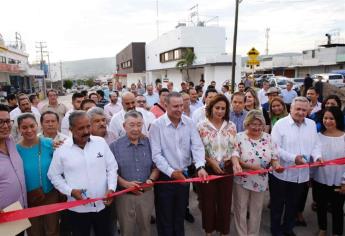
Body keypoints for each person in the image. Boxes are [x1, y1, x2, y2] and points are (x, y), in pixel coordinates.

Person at [48, 111, 118, 236]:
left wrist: (111, 188)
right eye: (81, 128)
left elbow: (112, 167)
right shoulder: (62, 149)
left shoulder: (100, 143)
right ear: (71, 129)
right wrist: (70, 191)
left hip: (103, 205)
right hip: (77, 210)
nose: (86, 131)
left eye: (88, 126)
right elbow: (53, 175)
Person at [148, 92, 208, 236]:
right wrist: (171, 172)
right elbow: (156, 155)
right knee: (165, 218)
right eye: (175, 106)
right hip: (165, 177)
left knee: (179, 215)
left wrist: (200, 166)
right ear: (165, 105)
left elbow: (197, 146)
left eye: (181, 105)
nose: (179, 109)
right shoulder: (156, 125)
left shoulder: (189, 122)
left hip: (184, 174)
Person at [270, 96, 322, 236]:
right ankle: (275, 230)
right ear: (291, 108)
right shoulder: (280, 124)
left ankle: (288, 228)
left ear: (308, 111)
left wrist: (317, 157)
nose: (301, 112)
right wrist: (294, 158)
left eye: (304, 110)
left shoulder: (311, 125)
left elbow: (315, 145)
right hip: (281, 174)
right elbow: (275, 148)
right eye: (298, 109)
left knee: (293, 205)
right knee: (277, 205)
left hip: (301, 176)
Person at [233, 110, 283, 236]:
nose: (257, 127)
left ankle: (253, 234)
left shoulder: (268, 137)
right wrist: (250, 166)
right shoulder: (239, 137)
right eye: (253, 124)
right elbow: (235, 156)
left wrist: (276, 165)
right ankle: (241, 234)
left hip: (260, 179)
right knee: (240, 208)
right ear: (247, 124)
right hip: (242, 179)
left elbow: (274, 156)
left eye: (260, 124)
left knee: (256, 209)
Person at [109, 110, 159, 236]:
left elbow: (156, 167)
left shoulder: (149, 143)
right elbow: (110, 171)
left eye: (139, 124)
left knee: (146, 228)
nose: (136, 129)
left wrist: (151, 180)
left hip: (146, 195)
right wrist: (125, 184)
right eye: (132, 125)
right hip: (124, 196)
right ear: (124, 126)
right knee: (127, 230)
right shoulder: (114, 146)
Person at [197, 94, 241, 236]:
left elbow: (234, 148)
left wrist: (235, 163)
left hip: (227, 168)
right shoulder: (201, 126)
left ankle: (224, 231)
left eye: (223, 108)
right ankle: (208, 231)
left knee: (225, 202)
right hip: (208, 169)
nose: (220, 111)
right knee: (208, 203)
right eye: (217, 108)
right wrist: (210, 161)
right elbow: (197, 149)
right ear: (211, 107)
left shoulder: (231, 125)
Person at [16, 113, 59, 236]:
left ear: (37, 126)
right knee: (34, 232)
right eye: (24, 127)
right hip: (29, 198)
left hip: (50, 194)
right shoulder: (15, 150)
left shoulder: (49, 144)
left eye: (32, 126)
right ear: (19, 130)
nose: (29, 130)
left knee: (53, 230)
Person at [313, 107, 345, 236]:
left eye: (331, 118)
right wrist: (317, 158)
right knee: (321, 206)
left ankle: (337, 232)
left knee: (337, 209)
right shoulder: (318, 136)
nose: (328, 121)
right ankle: (322, 228)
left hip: (339, 180)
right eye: (325, 118)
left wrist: (344, 181)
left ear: (337, 119)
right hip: (320, 178)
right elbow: (314, 151)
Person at [0, 104, 27, 236]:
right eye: (0, 122)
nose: (5, 126)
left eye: (7, 121)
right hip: (2, 218)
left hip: (17, 211)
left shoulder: (10, 141)